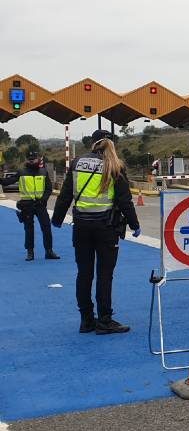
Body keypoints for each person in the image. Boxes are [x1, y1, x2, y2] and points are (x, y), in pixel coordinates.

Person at [52, 130, 142, 334]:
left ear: (92, 143)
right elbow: (124, 201)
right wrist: (134, 225)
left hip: (81, 226)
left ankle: (86, 320)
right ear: (111, 144)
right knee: (104, 275)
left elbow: (65, 195)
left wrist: (57, 219)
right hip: (106, 228)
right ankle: (104, 320)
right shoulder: (115, 166)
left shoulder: (76, 163)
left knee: (84, 274)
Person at [17, 152, 60, 261]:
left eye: (34, 159)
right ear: (26, 160)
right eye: (29, 159)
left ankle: (49, 251)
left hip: (40, 205)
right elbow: (8, 181)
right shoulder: (21, 172)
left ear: (38, 159)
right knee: (29, 229)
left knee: (46, 227)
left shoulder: (43, 172)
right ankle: (30, 252)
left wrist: (43, 199)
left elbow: (48, 188)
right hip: (27, 205)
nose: (31, 160)